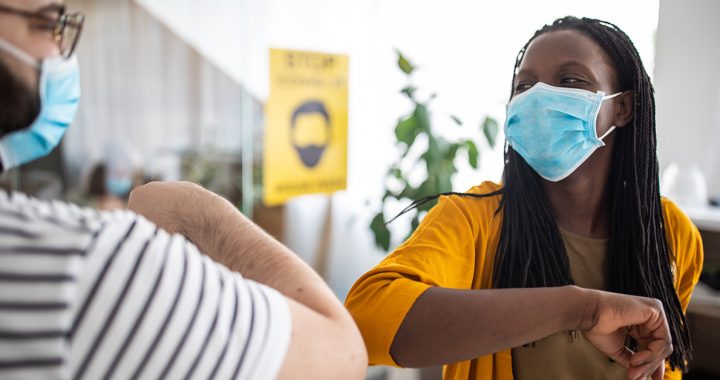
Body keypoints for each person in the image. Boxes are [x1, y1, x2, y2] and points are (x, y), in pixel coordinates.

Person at [0, 0, 366, 379]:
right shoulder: (82, 263)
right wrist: (198, 207)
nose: (61, 52)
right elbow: (340, 357)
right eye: (46, 24)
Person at [345, 16, 703, 380]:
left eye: (569, 80)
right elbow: (366, 318)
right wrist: (582, 309)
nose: (538, 99)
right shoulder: (474, 219)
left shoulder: (672, 233)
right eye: (525, 86)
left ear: (623, 107)